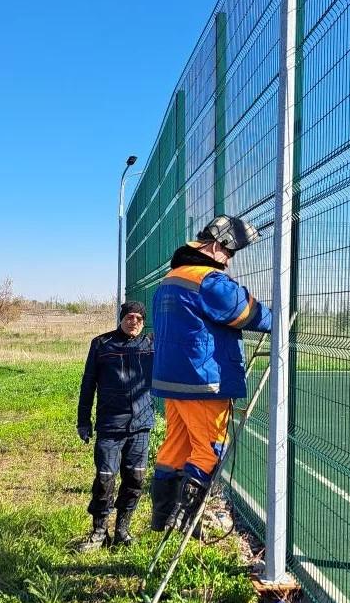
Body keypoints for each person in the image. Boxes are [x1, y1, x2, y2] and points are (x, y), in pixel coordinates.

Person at [149, 215, 272, 536]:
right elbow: (246, 312)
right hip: (203, 380)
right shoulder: (208, 281)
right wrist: (279, 317)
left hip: (171, 379)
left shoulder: (170, 280)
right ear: (217, 245)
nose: (228, 261)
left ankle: (162, 516)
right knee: (210, 449)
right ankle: (183, 519)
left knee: (176, 446)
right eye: (229, 253)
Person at [76, 300, 153, 549]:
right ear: (121, 318)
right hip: (110, 425)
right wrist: (83, 420)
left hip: (141, 425)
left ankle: (122, 530)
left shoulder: (151, 345)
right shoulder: (102, 344)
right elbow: (88, 384)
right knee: (105, 478)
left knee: (135, 479)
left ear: (144, 322)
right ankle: (99, 532)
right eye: (130, 317)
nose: (134, 322)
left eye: (139, 319)